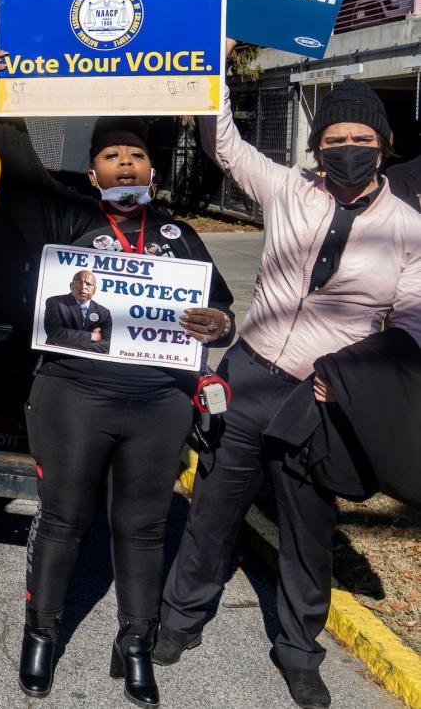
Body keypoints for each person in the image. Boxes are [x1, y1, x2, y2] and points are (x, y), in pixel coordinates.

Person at [158, 61, 421, 709]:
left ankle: (300, 650)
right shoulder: (287, 189)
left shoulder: (409, 228)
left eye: (361, 139)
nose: (347, 151)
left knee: (308, 532)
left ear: (384, 145)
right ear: (317, 147)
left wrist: (353, 378)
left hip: (322, 401)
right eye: (334, 140)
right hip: (247, 374)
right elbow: (224, 144)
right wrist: (212, 66)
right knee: (213, 509)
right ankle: (179, 619)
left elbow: (412, 325)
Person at [0, 47, 237, 707]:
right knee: (65, 518)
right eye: (111, 155)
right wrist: (3, 84)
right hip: (74, 397)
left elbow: (223, 313)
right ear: (93, 173)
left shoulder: (181, 236)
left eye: (136, 154)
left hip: (158, 405)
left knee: (143, 526)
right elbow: (17, 171)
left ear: (152, 170)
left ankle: (134, 643)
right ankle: (40, 634)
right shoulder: (71, 219)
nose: (126, 162)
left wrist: (221, 325)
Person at [43, 270, 112, 353]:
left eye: (89, 284)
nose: (83, 287)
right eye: (79, 282)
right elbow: (55, 334)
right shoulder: (55, 302)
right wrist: (90, 336)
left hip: (87, 362)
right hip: (57, 359)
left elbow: (104, 347)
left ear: (94, 290)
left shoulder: (104, 313)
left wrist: (69, 343)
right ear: (71, 286)